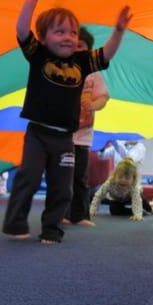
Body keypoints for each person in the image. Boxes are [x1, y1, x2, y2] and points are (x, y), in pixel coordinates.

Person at [2, 0, 132, 244]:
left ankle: (51, 229)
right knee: (28, 177)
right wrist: (31, 1)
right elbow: (21, 30)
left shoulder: (82, 62)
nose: (68, 37)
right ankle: (16, 224)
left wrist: (118, 32)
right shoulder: (39, 56)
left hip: (65, 139)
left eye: (72, 33)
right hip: (38, 133)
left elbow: (106, 53)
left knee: (63, 188)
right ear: (44, 37)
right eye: (60, 32)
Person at [63, 26, 110, 227]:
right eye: (73, 46)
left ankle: (80, 215)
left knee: (81, 177)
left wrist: (93, 105)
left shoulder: (93, 76)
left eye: (81, 46)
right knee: (63, 177)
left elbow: (103, 97)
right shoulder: (61, 71)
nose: (77, 50)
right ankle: (63, 213)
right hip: (63, 135)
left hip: (82, 137)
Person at [89, 158, 153, 221]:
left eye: (127, 178)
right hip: (116, 199)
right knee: (114, 211)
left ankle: (150, 209)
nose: (123, 180)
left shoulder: (133, 186)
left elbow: (136, 200)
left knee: (141, 198)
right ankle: (141, 211)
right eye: (120, 177)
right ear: (115, 176)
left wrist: (137, 215)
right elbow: (98, 195)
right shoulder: (109, 183)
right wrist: (93, 209)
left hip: (129, 198)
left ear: (133, 179)